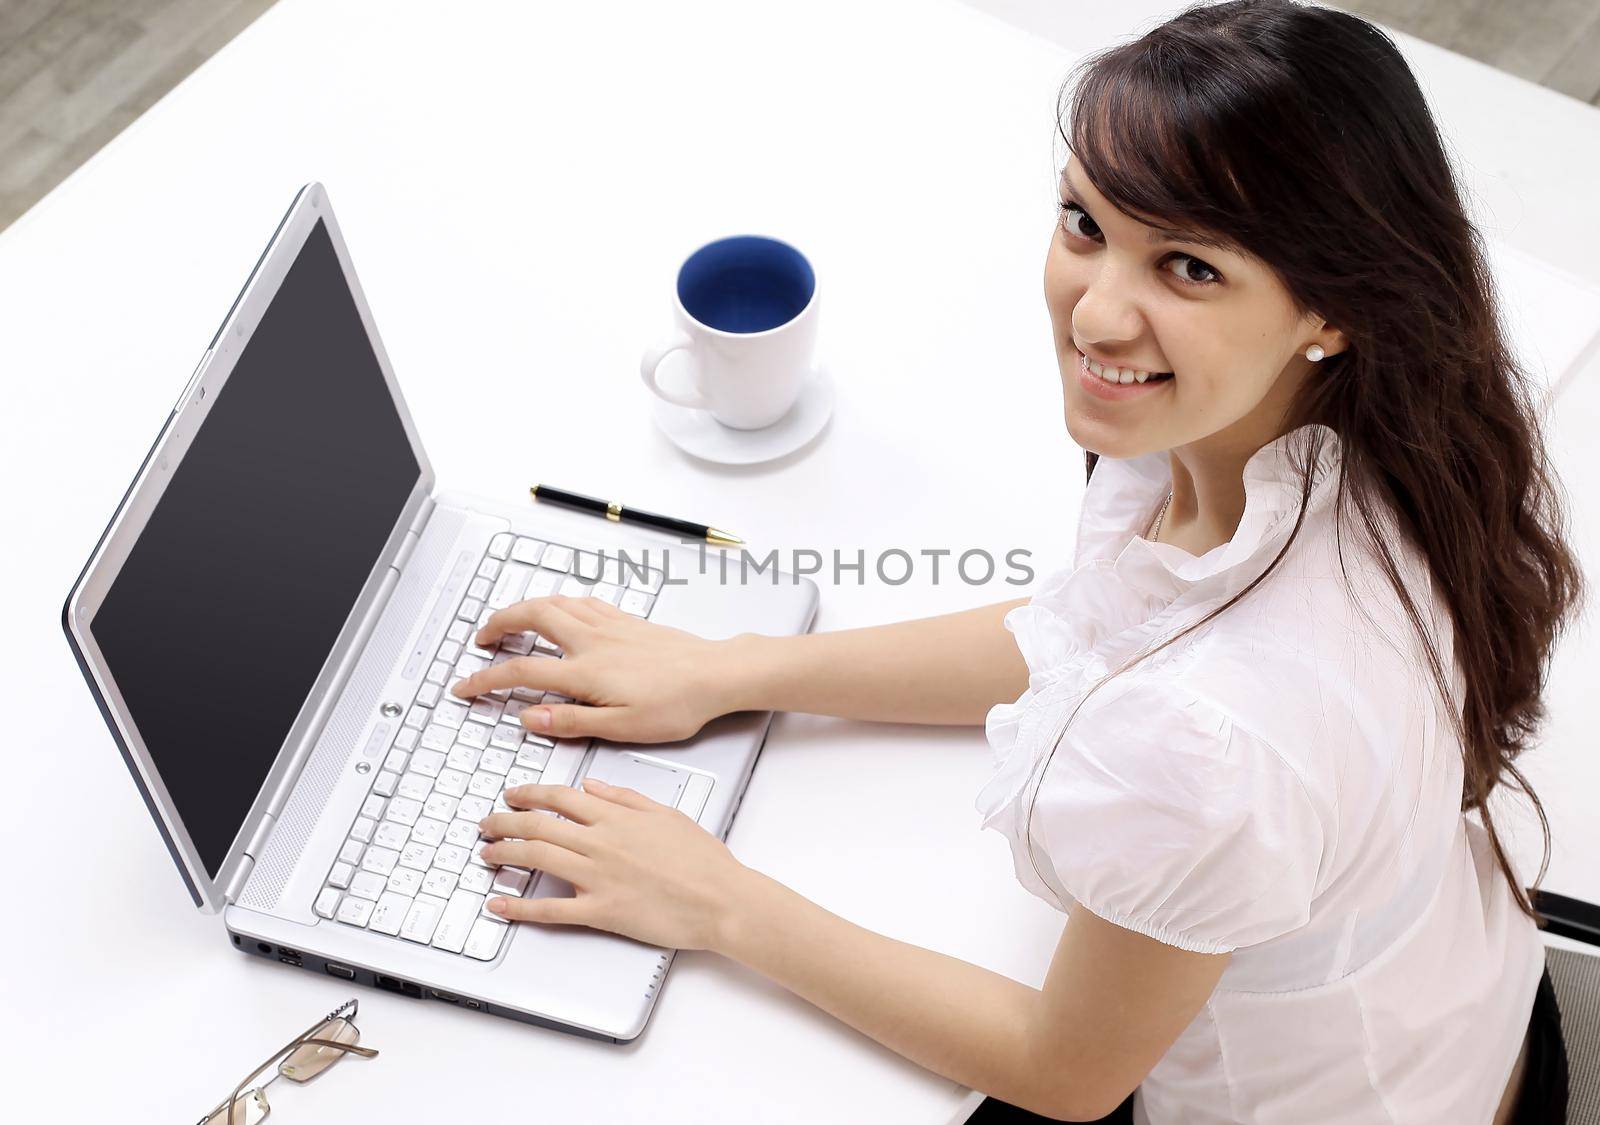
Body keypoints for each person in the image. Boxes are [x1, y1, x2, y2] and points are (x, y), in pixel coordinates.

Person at [450, 1, 1581, 1120]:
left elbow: (1065, 1071)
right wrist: (733, 671)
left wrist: (717, 901)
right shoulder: (1383, 444)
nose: (1095, 315)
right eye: (1086, 224)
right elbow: (1092, 633)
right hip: (1467, 1016)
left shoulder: (1209, 744)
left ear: (1329, 306)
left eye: (1187, 267)